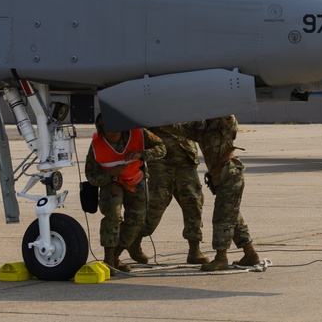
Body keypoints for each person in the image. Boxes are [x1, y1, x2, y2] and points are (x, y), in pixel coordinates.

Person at [163, 116, 261, 271]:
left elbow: (228, 116)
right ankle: (250, 254)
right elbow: (176, 129)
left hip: (230, 175)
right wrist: (158, 118)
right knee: (233, 217)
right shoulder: (200, 127)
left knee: (222, 218)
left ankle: (221, 258)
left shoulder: (224, 123)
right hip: (220, 177)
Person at [85, 114, 166, 272]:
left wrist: (142, 155)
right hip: (112, 184)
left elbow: (162, 148)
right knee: (113, 216)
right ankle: (109, 259)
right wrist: (110, 174)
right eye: (110, 130)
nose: (114, 133)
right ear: (101, 130)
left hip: (136, 181)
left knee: (137, 219)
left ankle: (117, 254)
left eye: (117, 129)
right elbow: (91, 176)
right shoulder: (96, 145)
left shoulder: (139, 133)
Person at [140, 125, 209, 264]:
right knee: (156, 204)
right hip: (161, 160)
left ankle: (194, 249)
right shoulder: (149, 106)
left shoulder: (183, 105)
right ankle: (134, 241)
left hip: (186, 159)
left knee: (193, 202)